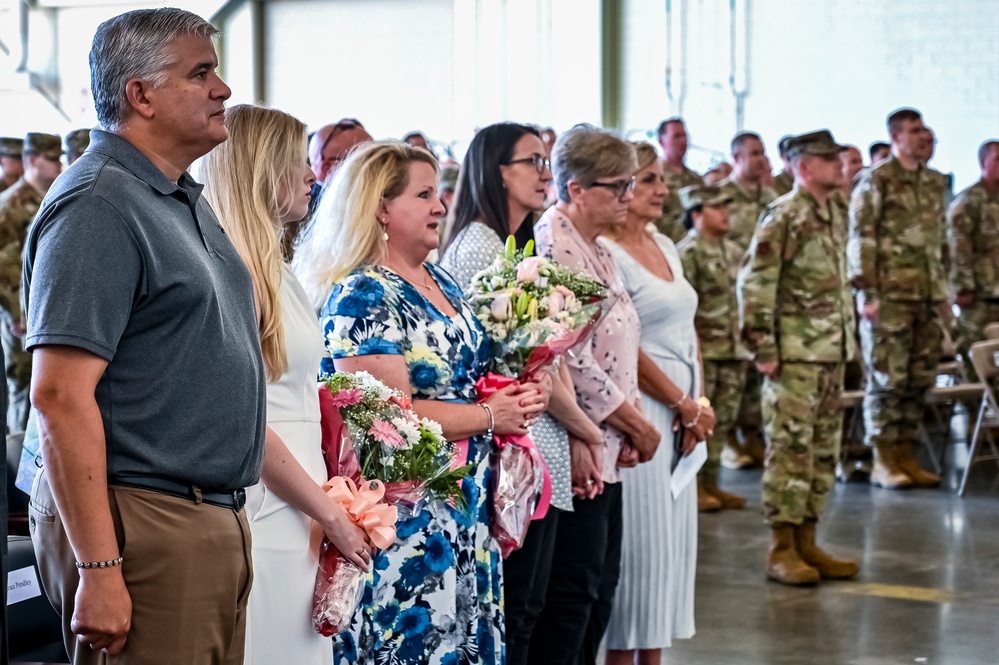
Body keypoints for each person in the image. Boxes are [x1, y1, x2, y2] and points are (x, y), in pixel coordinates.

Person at [23, 9, 265, 663]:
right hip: (144, 521)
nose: (223, 89)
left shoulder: (173, 194)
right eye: (201, 72)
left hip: (198, 515)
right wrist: (100, 567)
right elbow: (60, 396)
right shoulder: (100, 204)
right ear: (141, 94)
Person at [294, 140, 546, 665]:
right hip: (408, 520)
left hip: (462, 508)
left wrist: (510, 393)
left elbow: (460, 378)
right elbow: (385, 421)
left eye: (439, 193)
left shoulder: (441, 281)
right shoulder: (364, 295)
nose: (440, 206)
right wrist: (488, 417)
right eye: (425, 194)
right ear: (381, 208)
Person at [201, 104, 372, 665]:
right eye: (297, 159)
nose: (311, 174)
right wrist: (330, 515)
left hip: (303, 495)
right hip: (272, 500)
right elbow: (251, 420)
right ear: (260, 170)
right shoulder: (238, 274)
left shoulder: (276, 268)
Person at [437, 122, 604, 665]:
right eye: (531, 161)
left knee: (543, 602)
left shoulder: (517, 242)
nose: (544, 173)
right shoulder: (478, 247)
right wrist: (583, 426)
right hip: (507, 445)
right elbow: (491, 361)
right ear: (496, 171)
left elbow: (538, 356)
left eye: (545, 160)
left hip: (535, 440)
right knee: (520, 608)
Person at [530, 125, 661, 665]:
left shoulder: (595, 246)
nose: (628, 197)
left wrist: (625, 424)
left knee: (600, 585)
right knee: (573, 595)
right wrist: (629, 421)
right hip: (576, 441)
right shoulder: (553, 241)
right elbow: (570, 356)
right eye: (619, 186)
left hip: (606, 435)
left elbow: (618, 338)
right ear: (577, 188)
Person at [602, 142, 713, 665]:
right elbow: (625, 341)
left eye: (660, 180)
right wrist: (679, 402)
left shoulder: (666, 243)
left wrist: (700, 403)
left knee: (670, 552)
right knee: (640, 554)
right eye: (647, 180)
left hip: (684, 401)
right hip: (642, 403)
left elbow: (689, 332)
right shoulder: (607, 251)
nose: (661, 190)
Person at [739, 130, 860, 586]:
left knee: (822, 451)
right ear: (804, 166)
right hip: (794, 356)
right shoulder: (785, 214)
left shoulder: (834, 211)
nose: (838, 165)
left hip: (829, 352)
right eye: (828, 159)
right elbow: (755, 284)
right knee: (790, 451)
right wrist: (763, 348)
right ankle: (781, 547)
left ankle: (808, 538)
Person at [849, 108, 947, 490]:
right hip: (889, 297)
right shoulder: (876, 180)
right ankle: (883, 459)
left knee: (918, 379)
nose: (924, 135)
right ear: (895, 137)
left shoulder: (934, 181)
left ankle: (906, 452)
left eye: (925, 128)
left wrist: (943, 290)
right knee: (887, 379)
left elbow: (941, 240)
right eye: (915, 130)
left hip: (927, 294)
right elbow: (862, 238)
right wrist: (867, 293)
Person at [676, 184, 748, 512]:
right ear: (697, 215)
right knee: (699, 419)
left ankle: (713, 483)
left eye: (726, 207)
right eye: (717, 208)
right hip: (704, 350)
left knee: (724, 420)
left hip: (733, 348)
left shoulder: (734, 251)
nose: (725, 214)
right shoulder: (686, 253)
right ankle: (693, 487)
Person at [719, 131, 778, 469]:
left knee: (756, 372)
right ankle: (727, 440)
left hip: (762, 297)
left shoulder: (770, 196)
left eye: (762, 153)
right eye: (753, 153)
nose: (760, 159)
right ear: (737, 157)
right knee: (730, 372)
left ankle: (753, 437)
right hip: (727, 296)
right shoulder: (722, 196)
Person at [0, 132, 62, 431]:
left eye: (59, 159)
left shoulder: (51, 198)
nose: (58, 166)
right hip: (19, 317)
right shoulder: (9, 205)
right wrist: (17, 314)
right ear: (32, 160)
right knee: (24, 386)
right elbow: (4, 268)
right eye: (51, 160)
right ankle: (16, 462)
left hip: (43, 310)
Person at [949, 140, 999, 377]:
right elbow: (957, 247)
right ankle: (972, 412)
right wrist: (963, 286)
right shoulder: (968, 201)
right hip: (979, 295)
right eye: (998, 160)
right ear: (983, 163)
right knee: (975, 360)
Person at [656, 118, 703, 243]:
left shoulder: (696, 179)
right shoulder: (655, 178)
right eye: (676, 136)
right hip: (665, 243)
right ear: (661, 141)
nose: (683, 141)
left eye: (684, 135)